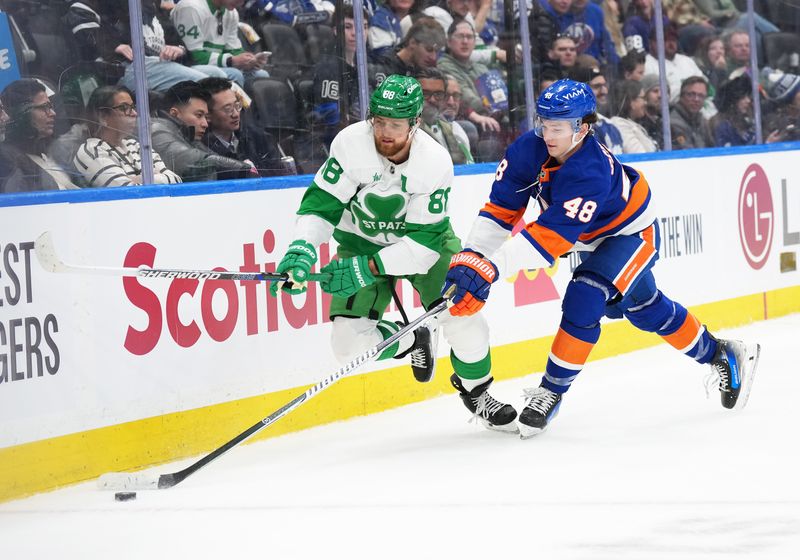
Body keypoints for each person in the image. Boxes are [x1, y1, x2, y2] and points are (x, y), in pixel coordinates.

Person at [442, 78, 760, 437]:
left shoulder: (590, 169)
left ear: (583, 128)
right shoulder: (525, 150)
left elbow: (551, 237)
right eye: (544, 123)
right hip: (591, 237)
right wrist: (471, 257)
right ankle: (722, 353)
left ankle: (551, 392)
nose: (548, 134)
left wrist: (491, 266)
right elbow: (501, 210)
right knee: (645, 308)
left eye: (558, 127)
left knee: (585, 295)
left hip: (630, 232)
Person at [269, 75, 517, 432]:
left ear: (414, 123)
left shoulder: (434, 161)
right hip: (360, 242)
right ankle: (412, 337)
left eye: (395, 125)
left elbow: (420, 246)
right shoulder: (349, 144)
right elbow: (321, 207)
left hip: (425, 245)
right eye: (379, 121)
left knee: (464, 320)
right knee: (348, 345)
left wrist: (365, 269)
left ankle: (478, 393)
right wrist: (303, 249)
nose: (384, 131)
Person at [65, 0, 228, 91]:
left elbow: (181, 43)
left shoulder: (151, 8)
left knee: (219, 75)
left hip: (161, 65)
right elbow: (86, 32)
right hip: (129, 67)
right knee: (208, 82)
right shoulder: (109, 6)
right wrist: (113, 46)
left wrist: (179, 49)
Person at [74, 86, 181, 187]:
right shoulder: (93, 151)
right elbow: (127, 193)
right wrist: (156, 176)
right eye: (124, 108)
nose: (134, 113)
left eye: (133, 107)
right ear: (102, 116)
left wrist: (137, 179)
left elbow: (176, 181)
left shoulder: (136, 145)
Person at [151, 81, 257, 181]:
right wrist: (243, 169)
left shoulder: (188, 135)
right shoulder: (156, 129)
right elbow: (195, 160)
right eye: (199, 115)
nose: (205, 124)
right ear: (174, 114)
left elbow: (209, 156)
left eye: (205, 117)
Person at [0, 79, 79, 193]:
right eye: (44, 107)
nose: (52, 113)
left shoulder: (52, 152)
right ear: (21, 115)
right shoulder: (8, 160)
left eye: (51, 107)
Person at [199, 77, 288, 178]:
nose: (236, 114)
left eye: (237, 106)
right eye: (228, 109)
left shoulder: (258, 137)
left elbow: (281, 176)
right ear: (208, 115)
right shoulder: (201, 151)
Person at [171, 0, 270, 87]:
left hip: (215, 65)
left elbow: (234, 50)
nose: (242, 2)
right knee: (235, 74)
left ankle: (248, 108)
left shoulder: (232, 13)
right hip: (186, 65)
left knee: (261, 75)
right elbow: (195, 57)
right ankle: (234, 108)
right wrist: (231, 61)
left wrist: (249, 61)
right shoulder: (190, 7)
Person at [436, 19, 503, 134]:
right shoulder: (444, 66)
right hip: (466, 124)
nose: (465, 41)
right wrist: (498, 106)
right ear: (448, 42)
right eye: (460, 36)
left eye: (469, 37)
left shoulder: (480, 67)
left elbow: (500, 96)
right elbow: (470, 101)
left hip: (495, 119)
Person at [416, 68, 474, 164]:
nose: (432, 100)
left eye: (438, 94)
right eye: (425, 93)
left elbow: (468, 170)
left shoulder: (455, 131)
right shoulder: (402, 132)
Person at [610, 79, 657, 153]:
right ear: (631, 101)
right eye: (643, 98)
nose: (645, 102)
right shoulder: (620, 125)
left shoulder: (631, 123)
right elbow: (639, 156)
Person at [709, 74, 756, 147]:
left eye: (748, 96)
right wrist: (767, 144)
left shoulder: (745, 121)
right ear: (733, 100)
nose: (748, 101)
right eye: (743, 97)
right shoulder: (722, 127)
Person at [670, 76, 714, 149]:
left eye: (701, 96)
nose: (696, 99)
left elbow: (713, 148)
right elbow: (687, 153)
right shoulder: (673, 123)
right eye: (691, 94)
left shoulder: (701, 120)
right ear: (681, 96)